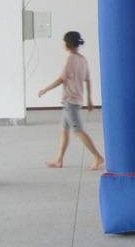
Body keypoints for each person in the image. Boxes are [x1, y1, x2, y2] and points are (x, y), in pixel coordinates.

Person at [39, 31, 105, 170]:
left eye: (64, 42)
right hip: (75, 100)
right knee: (64, 130)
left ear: (68, 44)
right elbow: (88, 80)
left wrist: (45, 89)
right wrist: (89, 99)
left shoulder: (70, 59)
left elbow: (61, 79)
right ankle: (59, 160)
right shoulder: (83, 60)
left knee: (78, 130)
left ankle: (98, 157)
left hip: (71, 101)